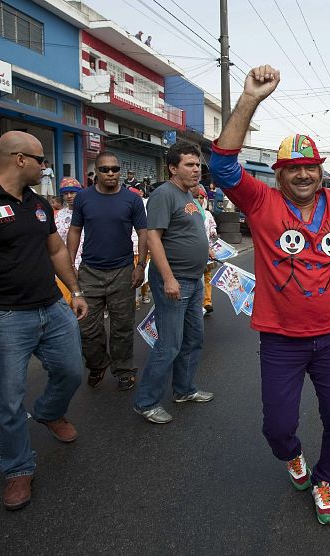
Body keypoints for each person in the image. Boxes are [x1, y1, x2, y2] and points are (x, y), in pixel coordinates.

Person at [210, 64, 330, 525]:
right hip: (280, 339)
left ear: (321, 171)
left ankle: (324, 478)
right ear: (279, 175)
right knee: (277, 428)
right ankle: (293, 456)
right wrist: (250, 98)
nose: (301, 175)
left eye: (309, 168)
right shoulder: (259, 203)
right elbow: (221, 165)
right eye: (291, 168)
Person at [0, 130, 88, 511]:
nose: (46, 167)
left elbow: (55, 248)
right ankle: (17, 468)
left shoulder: (38, 204)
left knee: (72, 371)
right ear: (20, 159)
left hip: (52, 307)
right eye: (41, 160)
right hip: (3, 317)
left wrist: (76, 290)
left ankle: (49, 412)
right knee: (7, 401)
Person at [133, 141, 213, 423]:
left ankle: (184, 389)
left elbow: (186, 232)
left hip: (193, 279)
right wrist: (168, 278)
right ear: (172, 168)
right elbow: (152, 236)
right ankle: (146, 402)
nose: (196, 170)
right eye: (189, 165)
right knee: (169, 344)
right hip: (175, 280)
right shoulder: (164, 194)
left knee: (194, 338)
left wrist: (207, 249)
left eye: (197, 165)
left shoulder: (188, 196)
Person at [67, 153, 147, 392]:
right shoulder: (83, 198)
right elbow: (74, 230)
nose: (111, 173)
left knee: (122, 326)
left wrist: (141, 265)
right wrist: (69, 263)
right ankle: (98, 363)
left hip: (122, 271)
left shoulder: (131, 200)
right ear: (96, 173)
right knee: (87, 327)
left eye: (115, 169)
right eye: (105, 169)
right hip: (89, 272)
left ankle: (123, 369)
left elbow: (144, 232)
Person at [190, 185, 217, 315]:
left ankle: (207, 302)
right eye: (197, 197)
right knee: (198, 279)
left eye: (202, 197)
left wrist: (213, 233)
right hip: (195, 252)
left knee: (207, 277)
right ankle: (198, 305)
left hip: (208, 250)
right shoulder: (191, 212)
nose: (199, 200)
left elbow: (213, 230)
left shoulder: (207, 214)